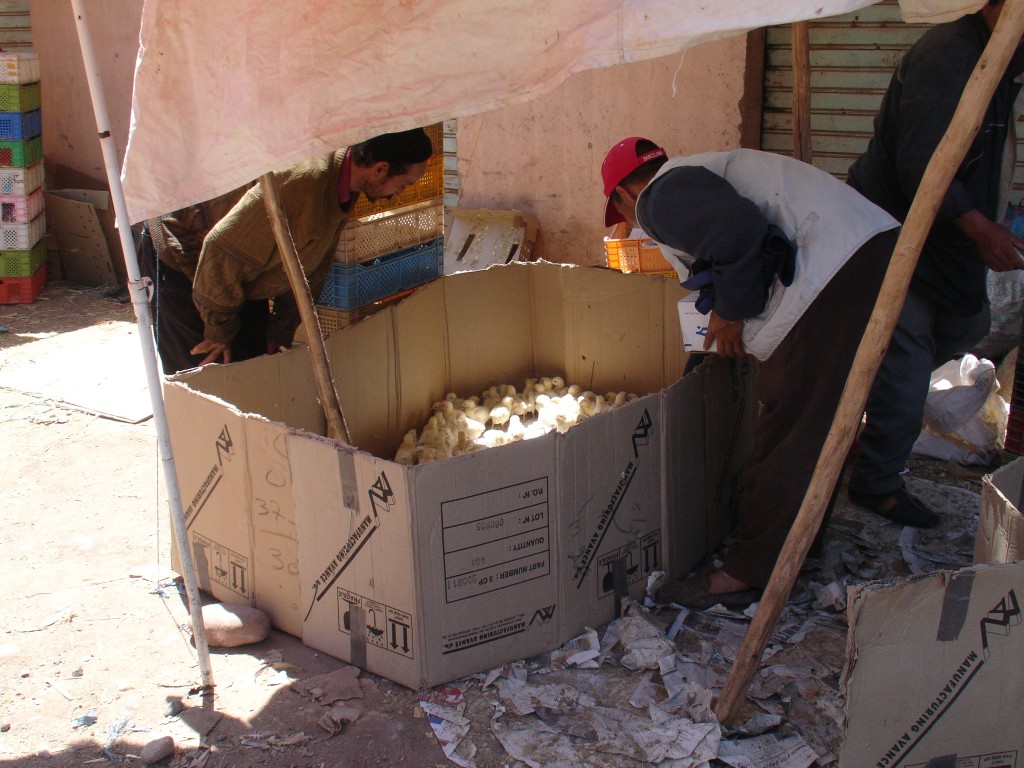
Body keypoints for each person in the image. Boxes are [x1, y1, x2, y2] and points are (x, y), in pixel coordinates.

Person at [601, 138, 900, 609]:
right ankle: (793, 546)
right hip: (864, 250)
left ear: (623, 194)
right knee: (819, 418)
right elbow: (733, 248)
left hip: (837, 265)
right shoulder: (699, 174)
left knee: (791, 423)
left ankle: (747, 571)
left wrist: (730, 312)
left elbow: (738, 234)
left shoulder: (658, 197)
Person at [845, 0, 1024, 528]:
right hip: (894, 236)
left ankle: (867, 402)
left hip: (941, 245)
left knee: (968, 323)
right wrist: (980, 227)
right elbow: (922, 163)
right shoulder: (949, 54)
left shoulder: (1000, 57)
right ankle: (877, 484)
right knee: (905, 362)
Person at [141, 128, 433, 374]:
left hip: (243, 271)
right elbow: (220, 251)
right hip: (187, 256)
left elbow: (311, 263)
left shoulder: (345, 186)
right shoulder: (303, 182)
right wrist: (218, 329)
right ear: (380, 169)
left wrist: (281, 326)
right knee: (205, 375)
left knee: (253, 366)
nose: (401, 192)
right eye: (404, 183)